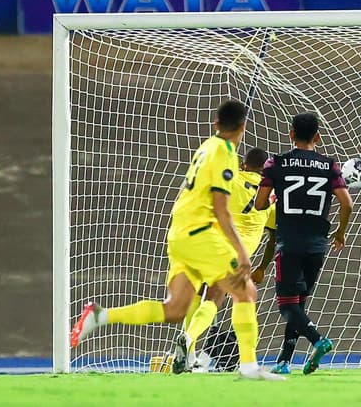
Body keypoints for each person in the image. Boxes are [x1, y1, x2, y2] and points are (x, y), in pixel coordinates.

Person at [69, 99, 284, 381]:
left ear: (215, 125)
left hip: (179, 232)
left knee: (175, 309)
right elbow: (221, 209)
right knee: (245, 291)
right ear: (243, 127)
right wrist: (242, 252)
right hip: (201, 234)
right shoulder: (224, 155)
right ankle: (248, 367)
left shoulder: (205, 148)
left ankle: (100, 316)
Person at [254, 112, 354, 375]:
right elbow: (347, 204)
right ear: (317, 137)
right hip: (317, 245)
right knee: (298, 303)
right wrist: (340, 233)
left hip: (289, 244)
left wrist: (277, 196)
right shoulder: (330, 165)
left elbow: (260, 203)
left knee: (287, 305)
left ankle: (318, 339)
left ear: (291, 134)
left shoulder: (276, 163)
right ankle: (284, 361)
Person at [176, 146, 276, 373]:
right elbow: (273, 238)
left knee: (199, 292)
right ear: (265, 171)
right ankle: (189, 338)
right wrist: (261, 267)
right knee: (214, 298)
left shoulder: (230, 178)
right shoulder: (271, 195)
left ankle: (188, 351)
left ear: (244, 165)